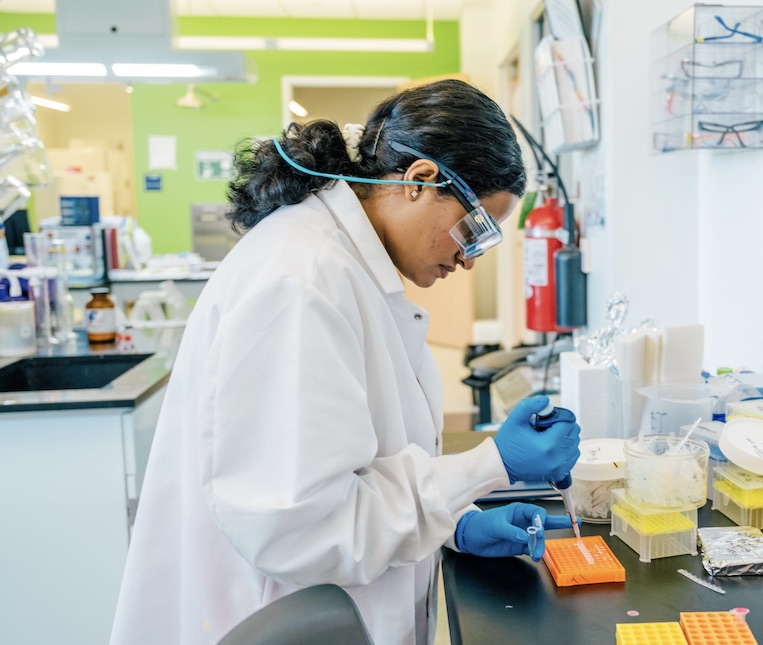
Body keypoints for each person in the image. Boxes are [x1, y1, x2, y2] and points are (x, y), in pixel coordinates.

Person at [110, 80, 582, 645]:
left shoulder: (345, 265)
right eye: (474, 227)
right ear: (421, 182)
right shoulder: (300, 282)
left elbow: (361, 466)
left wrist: (455, 523)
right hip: (280, 616)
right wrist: (487, 465)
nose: (469, 256)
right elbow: (306, 529)